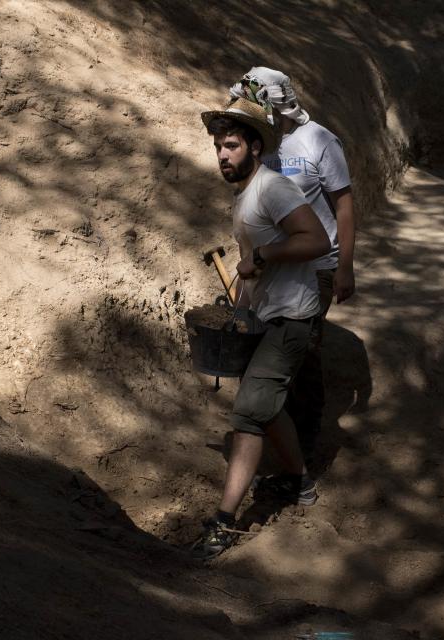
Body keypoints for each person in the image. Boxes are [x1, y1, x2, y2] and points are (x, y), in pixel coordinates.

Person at [191, 98, 331, 559]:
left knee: (250, 412)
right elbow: (255, 263)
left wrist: (262, 258)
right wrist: (243, 308)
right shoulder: (245, 197)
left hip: (292, 317)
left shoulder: (274, 189)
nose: (222, 155)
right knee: (267, 409)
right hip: (267, 315)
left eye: (231, 145)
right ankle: (301, 484)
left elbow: (315, 240)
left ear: (255, 147)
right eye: (217, 147)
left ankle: (225, 522)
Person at [229, 67, 356, 460]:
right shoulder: (258, 145)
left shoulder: (317, 140)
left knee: (301, 353)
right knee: (273, 351)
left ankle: (305, 444)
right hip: (271, 267)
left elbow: (344, 204)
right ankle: (278, 435)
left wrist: (345, 265)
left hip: (317, 264)